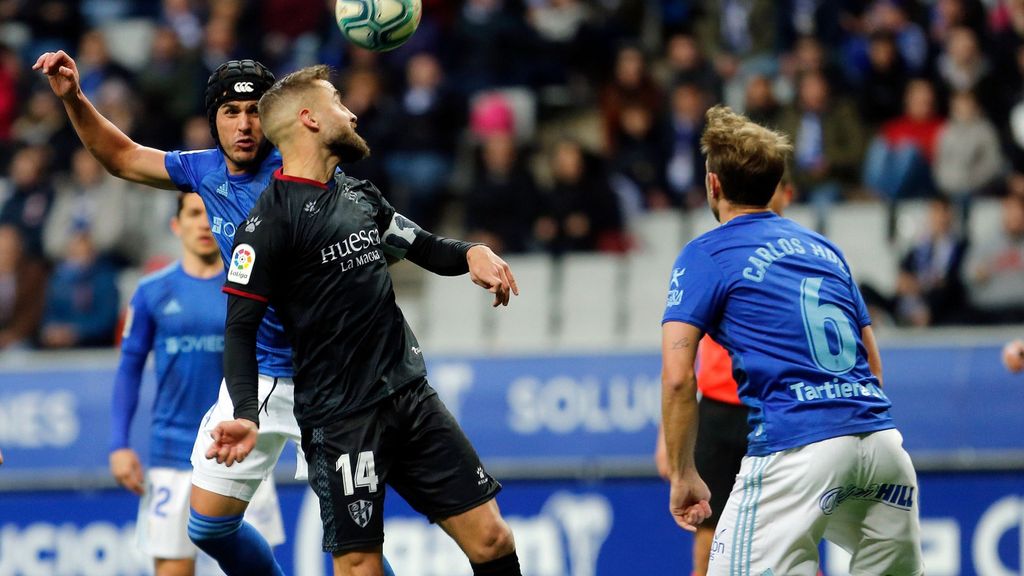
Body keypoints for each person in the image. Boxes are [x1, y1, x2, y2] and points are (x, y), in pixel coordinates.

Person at [32, 51, 398, 576]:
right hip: (256, 377)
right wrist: (74, 98)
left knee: (354, 544)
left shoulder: (305, 172)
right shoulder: (202, 172)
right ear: (215, 120)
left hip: (328, 380)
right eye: (231, 111)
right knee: (207, 526)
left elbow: (378, 237)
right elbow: (121, 156)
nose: (245, 124)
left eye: (255, 111)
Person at [208, 65, 523, 576]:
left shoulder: (359, 195)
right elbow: (240, 329)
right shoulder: (266, 227)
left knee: (491, 538)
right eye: (338, 102)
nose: (351, 112)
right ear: (309, 119)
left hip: (409, 396)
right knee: (359, 566)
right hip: (340, 420)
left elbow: (421, 246)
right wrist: (248, 412)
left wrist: (471, 253)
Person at [660, 105, 923, 575]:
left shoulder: (705, 254)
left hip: (795, 449)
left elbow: (679, 379)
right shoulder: (826, 250)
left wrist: (683, 475)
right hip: (882, 446)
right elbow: (873, 364)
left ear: (713, 185)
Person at [111, 192, 284, 576]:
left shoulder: (250, 285)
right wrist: (119, 444)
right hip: (171, 454)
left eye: (210, 213)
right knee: (172, 570)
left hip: (241, 451)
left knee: (251, 567)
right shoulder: (152, 291)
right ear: (177, 225)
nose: (204, 223)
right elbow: (129, 369)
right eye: (193, 213)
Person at [654, 176, 793, 576]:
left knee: (786, 535)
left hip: (769, 409)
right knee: (710, 537)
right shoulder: (714, 256)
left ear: (787, 193)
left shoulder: (794, 258)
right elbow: (680, 355)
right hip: (716, 410)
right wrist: (670, 434)